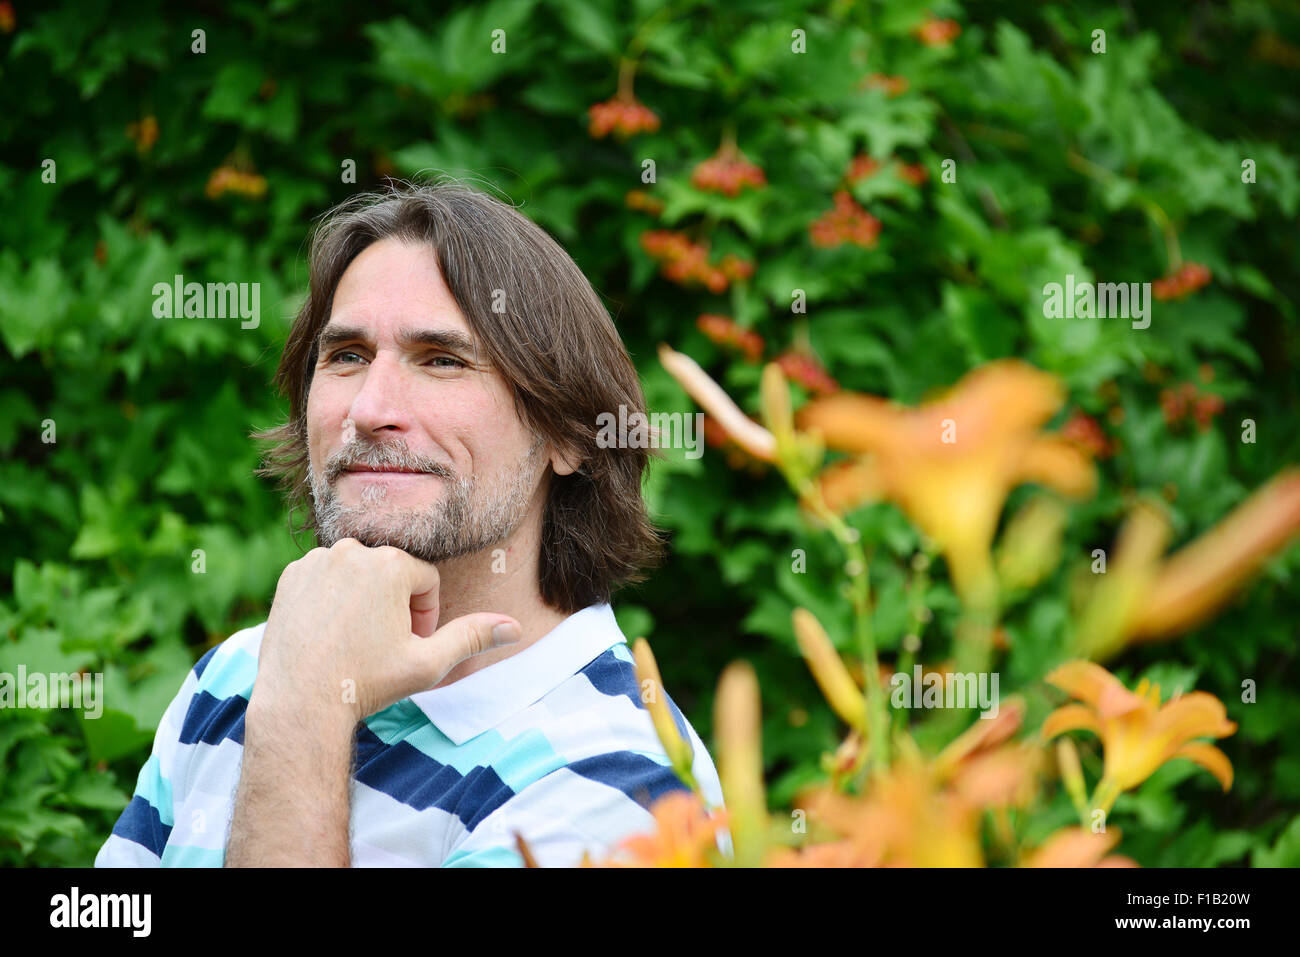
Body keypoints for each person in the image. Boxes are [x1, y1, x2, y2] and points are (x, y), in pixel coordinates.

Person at [94, 179, 726, 867]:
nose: (369, 408)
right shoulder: (236, 679)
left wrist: (306, 711)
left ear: (570, 436)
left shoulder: (622, 786)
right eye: (347, 356)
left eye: (442, 360)